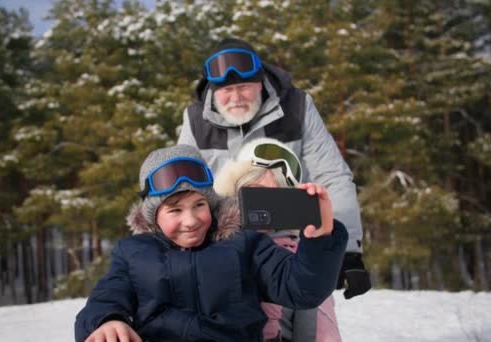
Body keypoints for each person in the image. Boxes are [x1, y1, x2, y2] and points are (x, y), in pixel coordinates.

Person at [74, 144, 347, 342]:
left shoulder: (243, 243)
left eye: (199, 205)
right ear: (154, 216)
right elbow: (107, 296)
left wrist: (320, 238)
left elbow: (301, 288)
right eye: (175, 210)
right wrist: (106, 321)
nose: (191, 220)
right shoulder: (133, 253)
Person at [178, 37, 371, 301]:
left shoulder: (297, 107)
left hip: (292, 245)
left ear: (259, 81)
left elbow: (332, 175)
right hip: (221, 246)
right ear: (212, 89)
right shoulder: (195, 120)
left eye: (244, 86)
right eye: (226, 90)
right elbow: (182, 187)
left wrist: (348, 251)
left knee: (312, 329)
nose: (236, 98)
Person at [214, 138, 342, 342]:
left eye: (274, 196)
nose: (263, 206)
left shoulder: (301, 259)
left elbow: (322, 331)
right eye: (253, 192)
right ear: (232, 191)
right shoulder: (205, 242)